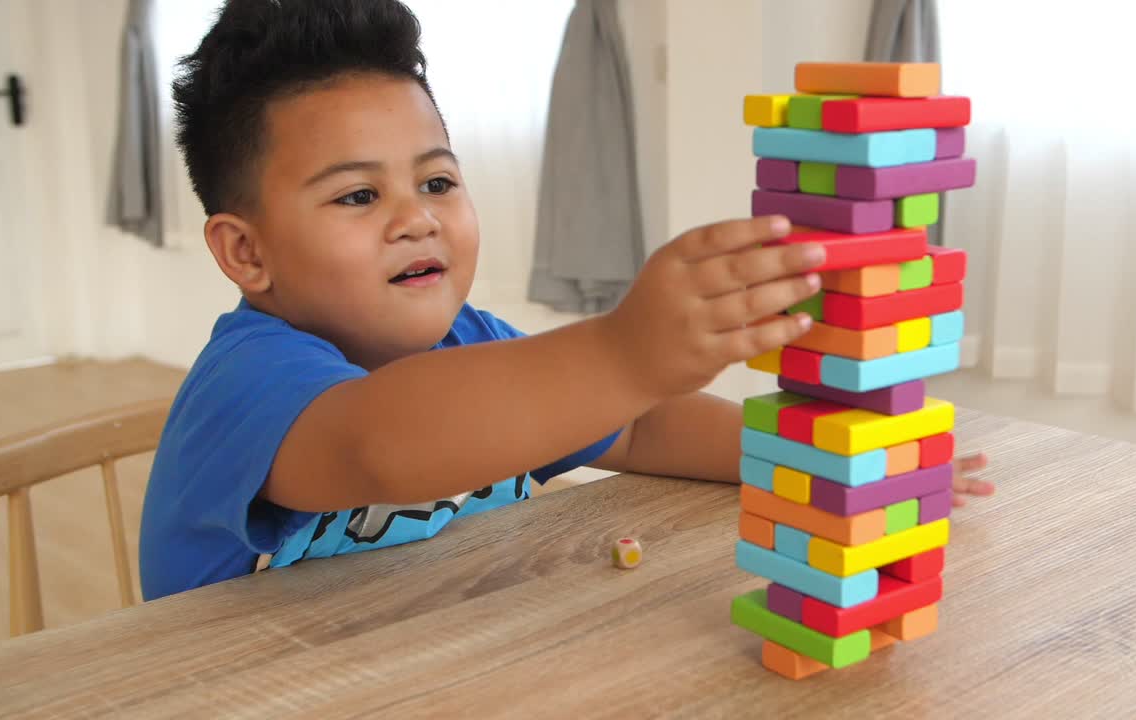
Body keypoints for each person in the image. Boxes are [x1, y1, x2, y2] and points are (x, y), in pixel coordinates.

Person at [138, 0, 994, 600]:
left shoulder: (476, 344)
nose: (417, 219)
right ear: (245, 253)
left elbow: (641, 424)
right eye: (358, 197)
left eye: (438, 180)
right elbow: (378, 446)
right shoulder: (247, 382)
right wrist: (622, 350)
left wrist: (826, 462)